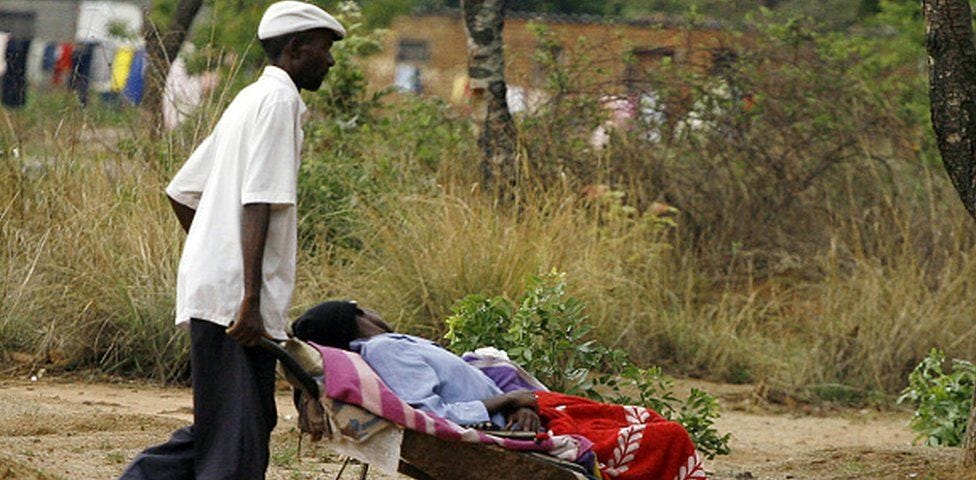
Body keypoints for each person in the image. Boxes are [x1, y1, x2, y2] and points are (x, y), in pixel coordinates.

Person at [118, 3, 345, 479]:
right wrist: (247, 297)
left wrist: (212, 254)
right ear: (295, 47)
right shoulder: (278, 103)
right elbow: (258, 201)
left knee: (233, 425)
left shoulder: (248, 99)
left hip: (217, 290)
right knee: (237, 444)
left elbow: (182, 191)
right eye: (324, 50)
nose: (330, 61)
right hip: (236, 304)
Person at [292, 301, 707, 480]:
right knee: (665, 435)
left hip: (522, 414)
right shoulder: (384, 349)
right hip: (512, 419)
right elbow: (432, 413)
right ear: (362, 316)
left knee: (646, 425)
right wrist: (508, 403)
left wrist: (516, 406)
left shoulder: (392, 346)